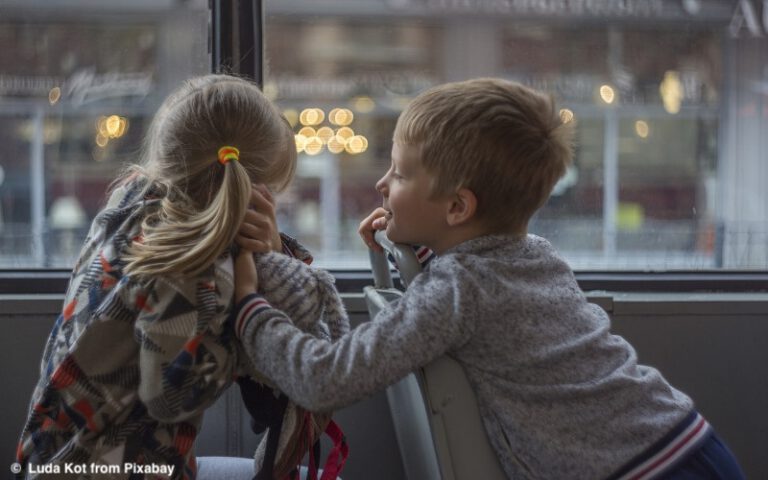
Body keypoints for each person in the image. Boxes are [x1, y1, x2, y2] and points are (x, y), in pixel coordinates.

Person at [232, 78, 746, 479]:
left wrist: (251, 307)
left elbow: (326, 379)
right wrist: (407, 250)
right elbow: (470, 291)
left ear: (457, 207)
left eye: (400, 173)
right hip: (686, 441)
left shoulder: (458, 291)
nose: (381, 184)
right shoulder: (531, 254)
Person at [15, 74, 308, 480]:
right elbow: (170, 398)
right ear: (251, 196)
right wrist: (244, 324)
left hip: (52, 456)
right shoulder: (194, 267)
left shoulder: (131, 202)